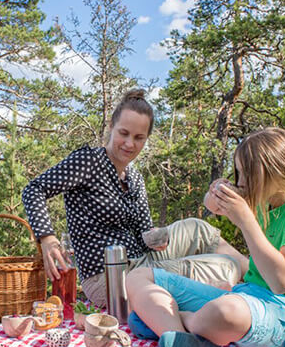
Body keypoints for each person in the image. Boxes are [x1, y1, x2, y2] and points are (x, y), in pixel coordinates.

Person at [126, 127, 285, 347]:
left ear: (280, 170)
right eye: (238, 172)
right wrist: (215, 192)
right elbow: (212, 206)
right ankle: (187, 339)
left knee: (225, 311)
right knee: (138, 276)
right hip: (247, 296)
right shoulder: (263, 197)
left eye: (248, 173)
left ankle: (176, 321)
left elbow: (282, 282)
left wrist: (246, 220)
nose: (241, 181)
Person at [22, 88, 248, 308]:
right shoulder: (88, 161)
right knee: (224, 266)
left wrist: (156, 237)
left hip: (143, 261)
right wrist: (47, 239)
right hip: (109, 279)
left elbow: (144, 235)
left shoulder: (135, 178)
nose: (130, 144)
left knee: (198, 228)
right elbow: (34, 189)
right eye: (124, 133)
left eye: (139, 137)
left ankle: (260, 277)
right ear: (111, 127)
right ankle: (239, 295)